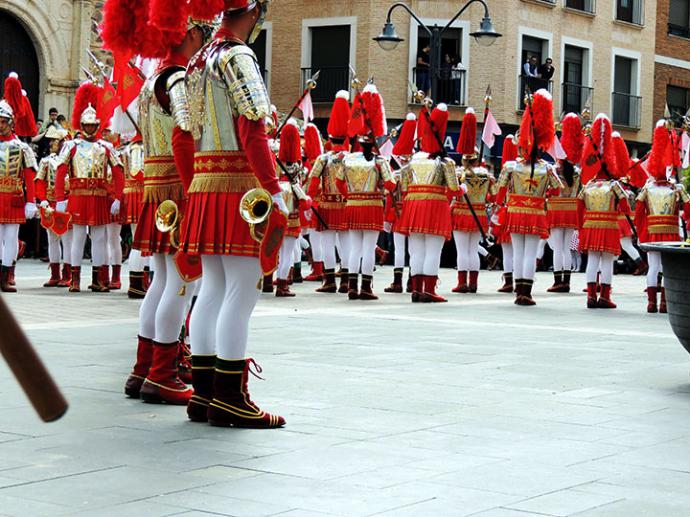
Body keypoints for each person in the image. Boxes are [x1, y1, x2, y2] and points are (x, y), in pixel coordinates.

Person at [181, 0, 287, 428]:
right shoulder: (239, 55)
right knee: (242, 292)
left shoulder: (199, 60)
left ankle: (203, 394)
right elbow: (251, 127)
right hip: (239, 185)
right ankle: (230, 397)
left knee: (212, 289)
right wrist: (274, 189)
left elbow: (184, 134)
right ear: (256, 11)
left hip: (206, 184)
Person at [100, 0, 209, 404]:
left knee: (162, 281)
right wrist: (196, 188)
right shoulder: (178, 79)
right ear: (192, 35)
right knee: (182, 282)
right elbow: (186, 134)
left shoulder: (151, 82)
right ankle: (163, 374)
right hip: (178, 190)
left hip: (155, 187)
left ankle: (143, 367)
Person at [54, 83, 124, 294]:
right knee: (77, 238)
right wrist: (60, 198)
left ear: (98, 125)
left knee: (100, 238)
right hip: (77, 195)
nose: (90, 128)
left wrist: (119, 198)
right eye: (87, 125)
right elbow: (60, 170)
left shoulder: (107, 147)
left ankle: (98, 278)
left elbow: (119, 172)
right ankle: (75, 279)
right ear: (81, 124)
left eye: (93, 125)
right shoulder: (71, 145)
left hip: (100, 197)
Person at [496, 89, 561, 306]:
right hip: (535, 213)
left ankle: (517, 291)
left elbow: (499, 188)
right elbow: (558, 189)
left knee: (518, 252)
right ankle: (526, 292)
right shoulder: (547, 168)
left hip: (515, 212)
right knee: (530, 253)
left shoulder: (510, 166)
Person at [335, 83, 396, 301]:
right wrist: (379, 186)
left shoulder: (348, 159)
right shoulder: (379, 161)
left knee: (354, 247)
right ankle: (367, 287)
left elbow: (339, 182)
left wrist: (350, 195)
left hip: (352, 205)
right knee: (369, 248)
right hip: (372, 207)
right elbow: (391, 186)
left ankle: (351, 286)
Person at [396, 103, 460, 302]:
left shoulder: (412, 162)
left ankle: (416, 289)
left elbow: (404, 187)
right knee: (433, 250)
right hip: (435, 207)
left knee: (417, 250)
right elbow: (454, 188)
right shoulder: (445, 162)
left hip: (413, 206)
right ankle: (429, 290)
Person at [635, 120, 690, 313]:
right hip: (671, 232)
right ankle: (665, 303)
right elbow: (689, 207)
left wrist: (641, 232)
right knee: (666, 269)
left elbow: (639, 212)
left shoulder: (647, 189)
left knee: (653, 266)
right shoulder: (676, 187)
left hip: (651, 230)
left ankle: (651, 303)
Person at [578, 117, 631, 309]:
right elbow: (626, 208)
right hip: (609, 227)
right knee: (607, 262)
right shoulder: (614, 186)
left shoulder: (588, 186)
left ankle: (590, 296)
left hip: (590, 226)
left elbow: (579, 208)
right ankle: (605, 296)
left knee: (592, 259)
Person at [307, 92, 351, 294]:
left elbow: (313, 182)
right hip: (346, 205)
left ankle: (330, 280)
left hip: (325, 205)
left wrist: (308, 200)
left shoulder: (323, 159)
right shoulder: (353, 159)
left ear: (331, 138)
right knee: (346, 244)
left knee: (327, 245)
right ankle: (346, 281)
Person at [452, 108, 495, 294]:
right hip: (478, 214)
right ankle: (474, 283)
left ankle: (462, 283)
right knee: (472, 249)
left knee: (463, 250)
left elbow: (452, 192)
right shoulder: (487, 175)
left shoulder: (459, 174)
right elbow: (492, 196)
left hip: (461, 213)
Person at [0, 97, 38, 293]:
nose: (0, 125)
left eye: (3, 121)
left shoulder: (22, 147)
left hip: (14, 196)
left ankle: (6, 276)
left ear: (11, 123)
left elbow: (30, 176)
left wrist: (31, 202)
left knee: (11, 237)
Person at [546, 113, 582, 293]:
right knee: (566, 248)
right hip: (571, 209)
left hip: (556, 208)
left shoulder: (554, 169)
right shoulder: (576, 171)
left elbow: (549, 189)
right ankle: (566, 281)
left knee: (557, 248)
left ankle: (557, 281)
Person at [275, 119, 310, 297]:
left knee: (273, 246)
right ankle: (282, 285)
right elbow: (300, 183)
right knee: (288, 248)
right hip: (292, 205)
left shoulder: (274, 160)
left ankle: (267, 281)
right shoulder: (299, 166)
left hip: (276, 200)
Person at [35, 126, 73, 288]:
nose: (51, 143)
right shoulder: (45, 161)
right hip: (50, 204)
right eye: (50, 141)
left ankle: (68, 274)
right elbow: (39, 182)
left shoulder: (72, 160)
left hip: (67, 203)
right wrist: (42, 199)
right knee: (52, 240)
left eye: (55, 140)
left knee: (68, 241)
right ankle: (55, 274)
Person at [384, 113, 416, 294]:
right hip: (409, 213)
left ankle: (400, 282)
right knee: (409, 249)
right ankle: (410, 281)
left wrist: (387, 218)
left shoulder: (396, 175)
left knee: (401, 249)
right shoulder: (418, 173)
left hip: (400, 213)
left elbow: (389, 196)